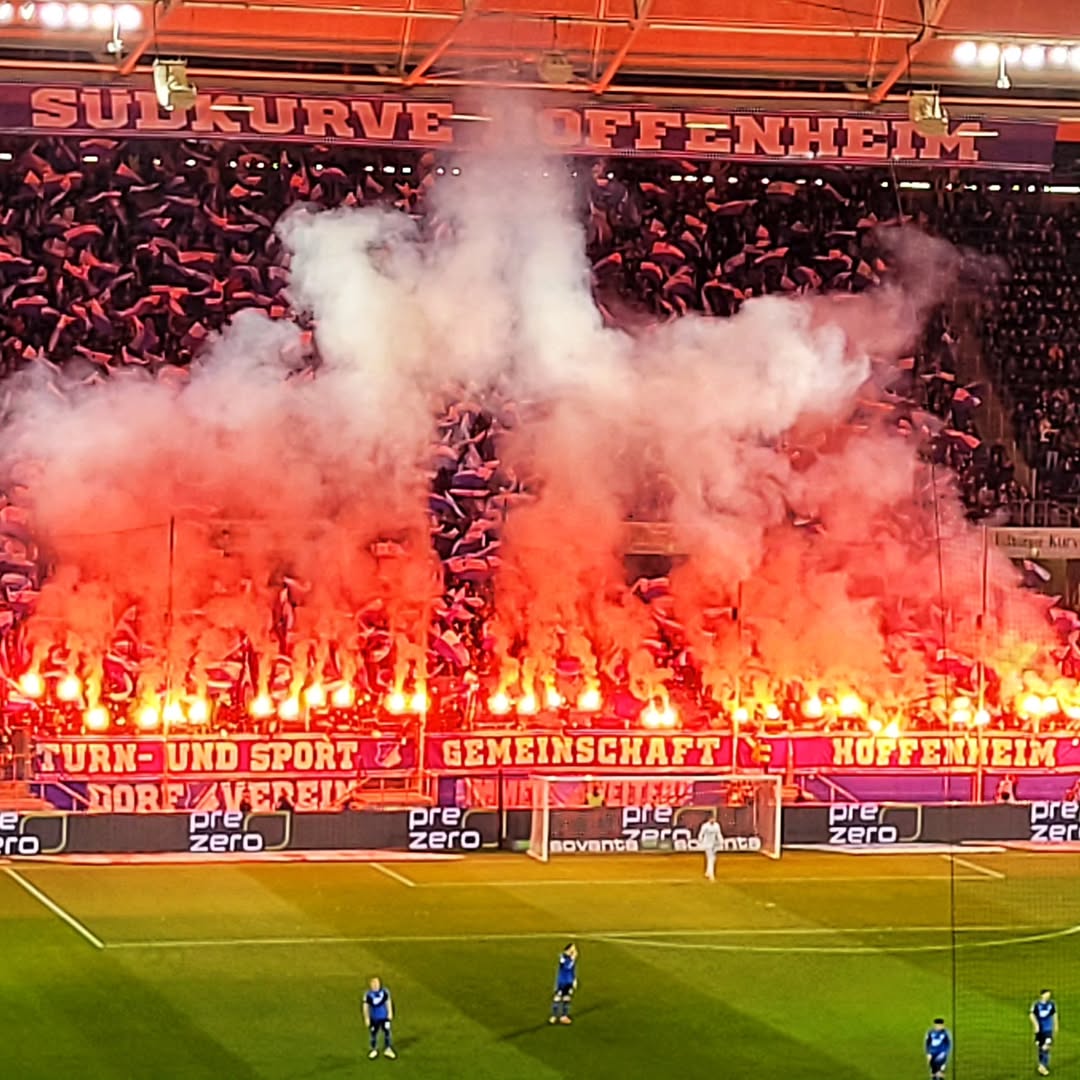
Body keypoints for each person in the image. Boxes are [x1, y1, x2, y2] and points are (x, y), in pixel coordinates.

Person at [363, 976, 396, 1060]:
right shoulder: (368, 995)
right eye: (374, 984)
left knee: (387, 1032)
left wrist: (390, 1012)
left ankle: (388, 1048)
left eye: (377, 983)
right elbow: (365, 1007)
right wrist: (366, 1018)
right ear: (370, 985)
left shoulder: (385, 992)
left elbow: (388, 1002)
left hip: (384, 1017)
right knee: (373, 1033)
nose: (376, 985)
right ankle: (373, 1049)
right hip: (374, 1018)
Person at [1030, 989, 1058, 1075]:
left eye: (1049, 995)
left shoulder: (1052, 1004)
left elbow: (1054, 1015)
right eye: (1046, 994)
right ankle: (1042, 1065)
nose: (1048, 996)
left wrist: (1056, 1025)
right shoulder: (1036, 1004)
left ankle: (1042, 1066)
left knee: (1046, 1046)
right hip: (1040, 1030)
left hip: (1048, 1029)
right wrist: (1036, 1026)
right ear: (1042, 995)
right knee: (1041, 1047)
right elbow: (1031, 1015)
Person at [549, 943, 577, 1025]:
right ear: (568, 949)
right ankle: (553, 1016)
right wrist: (572, 959)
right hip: (562, 981)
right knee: (557, 997)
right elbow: (565, 967)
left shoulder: (571, 958)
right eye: (573, 948)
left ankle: (563, 1017)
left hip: (569, 981)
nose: (574, 950)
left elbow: (572, 970)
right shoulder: (563, 957)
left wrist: (574, 979)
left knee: (567, 998)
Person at [697, 812, 724, 881]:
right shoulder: (705, 826)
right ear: (709, 819)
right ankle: (711, 875)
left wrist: (721, 841)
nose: (712, 820)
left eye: (713, 819)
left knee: (713, 859)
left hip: (714, 844)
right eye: (711, 819)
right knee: (710, 858)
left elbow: (719, 834)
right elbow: (700, 834)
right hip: (707, 844)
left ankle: (707, 872)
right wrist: (701, 841)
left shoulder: (717, 825)